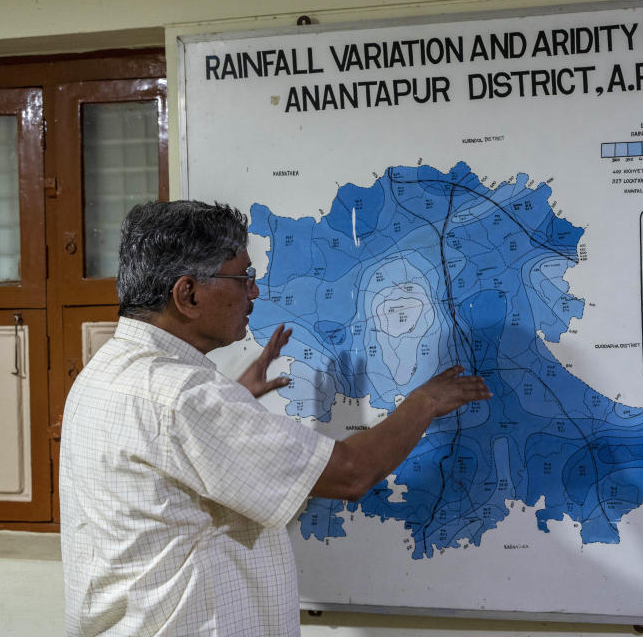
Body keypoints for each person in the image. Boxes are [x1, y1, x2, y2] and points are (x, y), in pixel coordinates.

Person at [59, 200, 490, 636]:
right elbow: (351, 474)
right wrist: (426, 401)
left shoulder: (106, 372)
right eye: (242, 277)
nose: (254, 292)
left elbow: (169, 453)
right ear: (187, 294)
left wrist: (234, 400)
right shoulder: (187, 399)